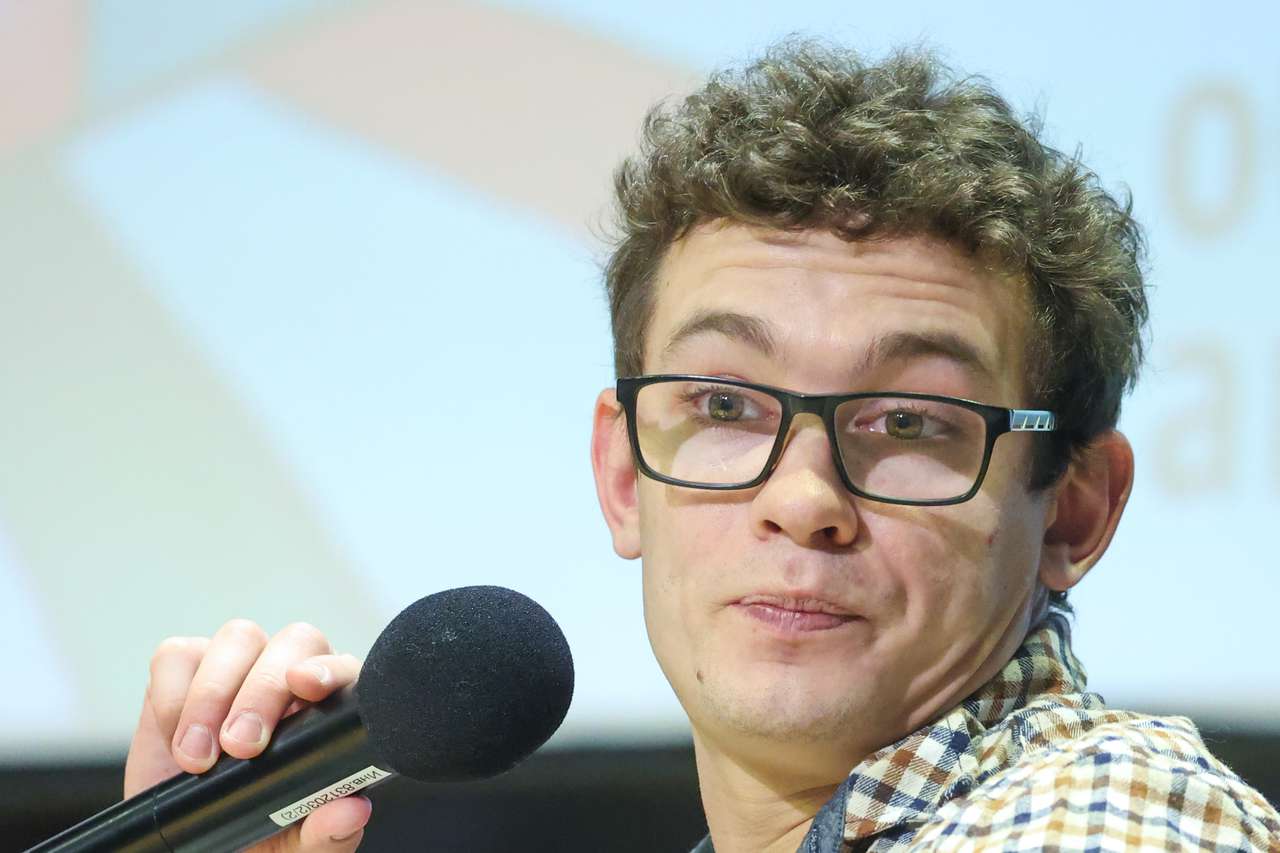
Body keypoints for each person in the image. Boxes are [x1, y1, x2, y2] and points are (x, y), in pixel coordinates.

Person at [123, 41, 1280, 852]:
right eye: (725, 405)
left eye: (909, 422)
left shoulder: (1113, 814)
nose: (802, 499)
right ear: (623, 474)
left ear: (1073, 508)